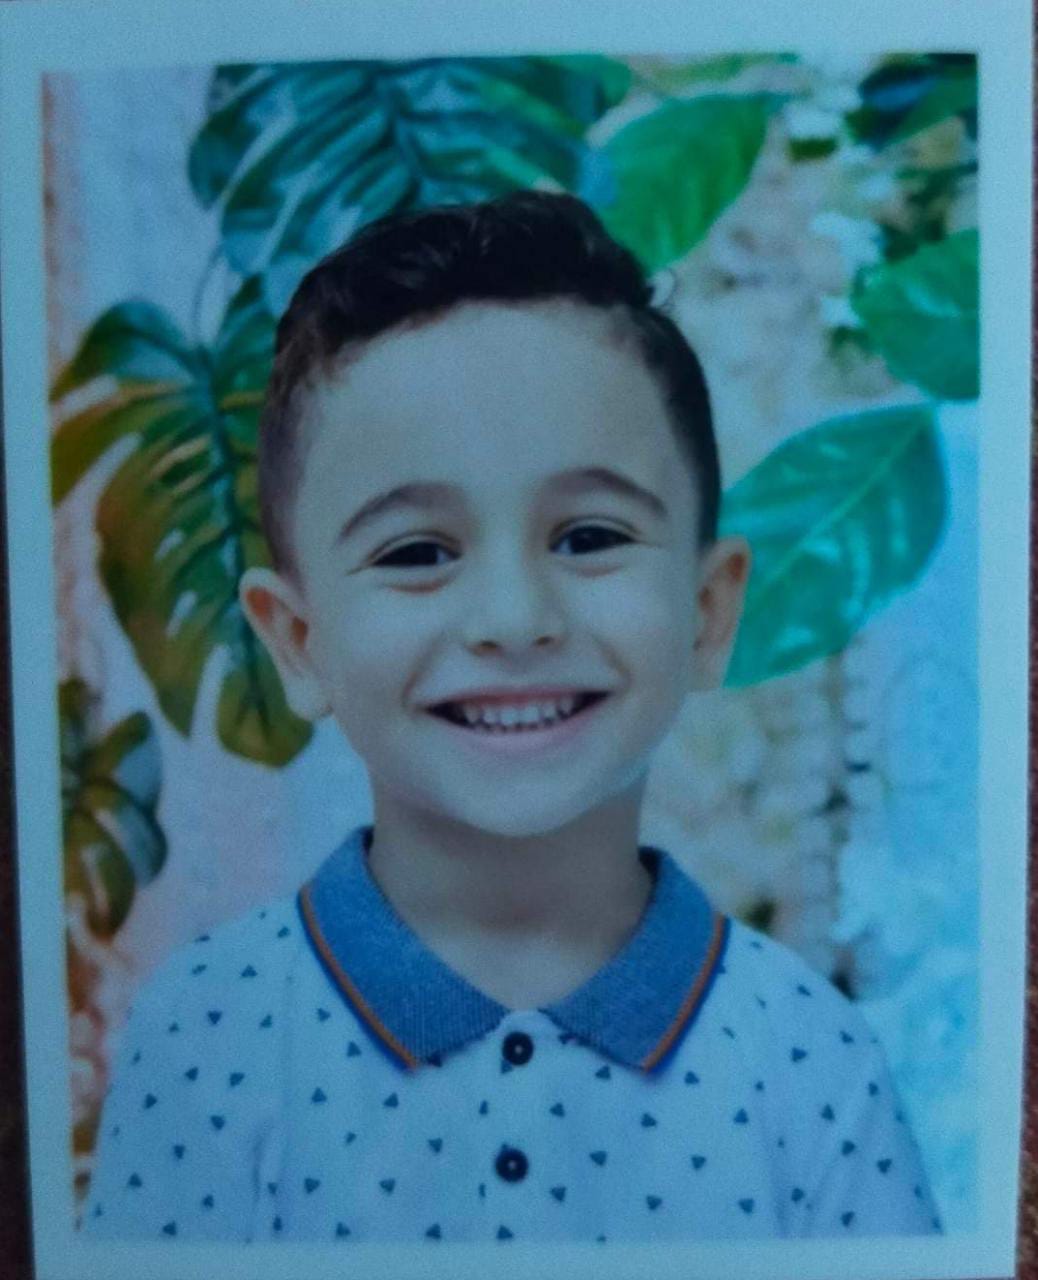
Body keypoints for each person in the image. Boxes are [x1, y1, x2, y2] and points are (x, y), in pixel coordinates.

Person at [81, 191, 940, 1244]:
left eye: (588, 536)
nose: (514, 618)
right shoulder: (206, 1045)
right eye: (416, 552)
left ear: (709, 613)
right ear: (298, 643)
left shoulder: (811, 1061)